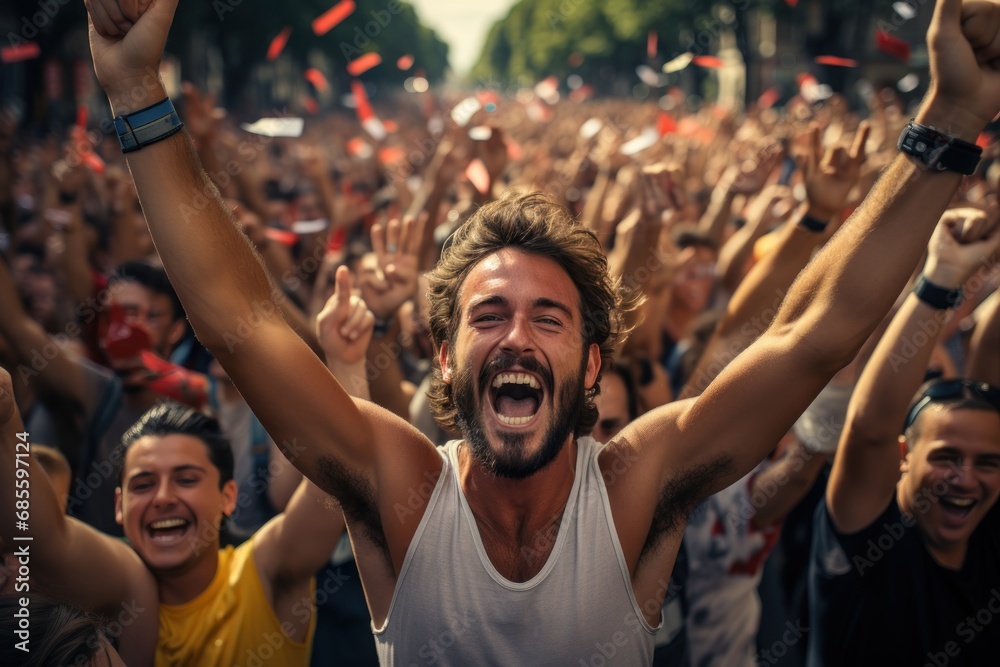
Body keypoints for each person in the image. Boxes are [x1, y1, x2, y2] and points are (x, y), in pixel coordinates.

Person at [83, 0, 1000, 663]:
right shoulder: (397, 485)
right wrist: (134, 92)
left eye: (549, 317)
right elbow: (243, 328)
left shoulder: (641, 483)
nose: (516, 336)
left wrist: (951, 118)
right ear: (444, 356)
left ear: (593, 361)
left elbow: (812, 334)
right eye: (487, 315)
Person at [0, 366, 349, 665]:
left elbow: (340, 463)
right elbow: (42, 539)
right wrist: (7, 419)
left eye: (185, 480)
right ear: (119, 505)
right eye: (144, 484)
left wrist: (346, 362)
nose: (163, 497)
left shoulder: (264, 571)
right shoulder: (127, 589)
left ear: (228, 497)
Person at [809, 208, 1000, 666]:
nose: (965, 479)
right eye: (945, 457)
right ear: (904, 455)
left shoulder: (989, 528)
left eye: (987, 463)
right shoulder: (871, 536)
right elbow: (869, 427)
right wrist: (943, 278)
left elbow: (992, 347)